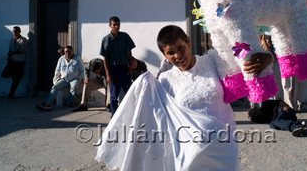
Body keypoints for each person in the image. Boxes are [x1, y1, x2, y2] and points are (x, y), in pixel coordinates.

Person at [95, 25, 273, 170]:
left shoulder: (213, 61)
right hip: (189, 154)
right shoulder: (165, 80)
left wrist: (268, 59)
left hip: (223, 148)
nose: (178, 56)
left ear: (188, 41)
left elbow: (247, 62)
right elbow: (156, 116)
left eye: (180, 48)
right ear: (164, 56)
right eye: (170, 53)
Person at [100, 16, 136, 116]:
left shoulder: (125, 37)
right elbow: (105, 60)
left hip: (125, 68)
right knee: (114, 97)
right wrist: (108, 74)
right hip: (113, 70)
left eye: (118, 24)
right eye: (114, 25)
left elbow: (129, 52)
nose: (116, 27)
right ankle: (114, 117)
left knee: (130, 94)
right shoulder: (106, 40)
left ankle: (131, 115)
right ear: (110, 26)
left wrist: (130, 67)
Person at [36, 45, 84, 111]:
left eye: (69, 51)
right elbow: (57, 70)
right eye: (66, 52)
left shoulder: (77, 58)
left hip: (74, 79)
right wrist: (55, 80)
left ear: (72, 52)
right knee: (55, 87)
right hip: (64, 79)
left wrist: (83, 80)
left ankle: (69, 103)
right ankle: (47, 104)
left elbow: (82, 70)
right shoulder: (61, 59)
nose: (67, 53)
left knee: (74, 87)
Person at [260, 33, 299, 110]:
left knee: (290, 85)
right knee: (285, 86)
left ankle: (290, 106)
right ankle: (286, 106)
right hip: (279, 62)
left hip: (288, 61)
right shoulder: (270, 37)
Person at [4, 26, 28, 99]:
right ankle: (11, 93)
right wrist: (9, 55)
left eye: (16, 31)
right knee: (10, 75)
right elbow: (10, 49)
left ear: (19, 32)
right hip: (12, 61)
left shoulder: (23, 40)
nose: (14, 33)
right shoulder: (12, 40)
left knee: (16, 78)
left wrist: (12, 53)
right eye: (13, 31)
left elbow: (21, 50)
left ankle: (11, 93)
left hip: (19, 61)